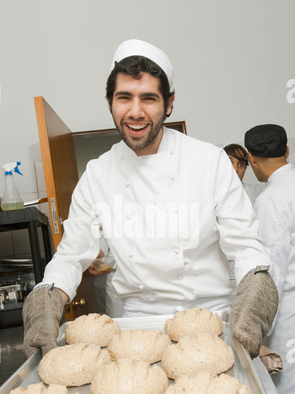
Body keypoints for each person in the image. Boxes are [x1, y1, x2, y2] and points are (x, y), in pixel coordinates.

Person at [22, 39, 278, 365]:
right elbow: (72, 256)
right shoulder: (97, 175)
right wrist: (47, 299)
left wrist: (255, 295)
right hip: (135, 331)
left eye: (149, 99)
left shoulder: (209, 162)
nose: (135, 112)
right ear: (110, 102)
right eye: (124, 98)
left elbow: (245, 246)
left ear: (169, 103)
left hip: (213, 323)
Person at [244, 123, 295, 394]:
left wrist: (260, 328)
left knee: (286, 390)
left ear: (251, 159)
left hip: (288, 308)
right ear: (288, 151)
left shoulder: (271, 199)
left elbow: (272, 269)